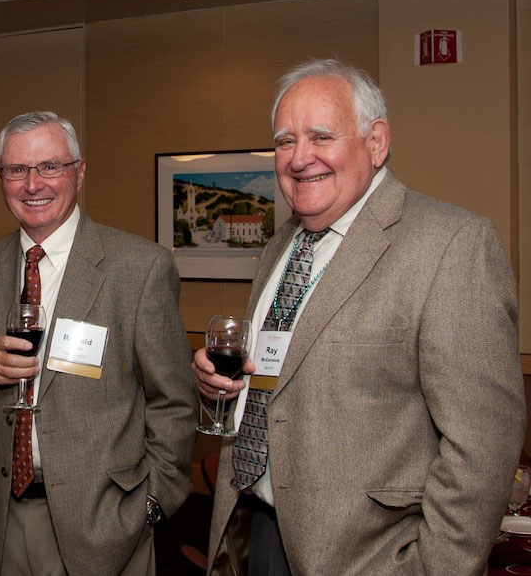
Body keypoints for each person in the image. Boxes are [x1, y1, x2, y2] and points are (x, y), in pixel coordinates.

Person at [193, 58, 525, 575]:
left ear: (376, 142)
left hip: (372, 557)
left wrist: (433, 568)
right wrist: (219, 387)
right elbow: (281, 379)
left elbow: (482, 444)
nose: (300, 158)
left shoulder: (452, 244)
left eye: (321, 136)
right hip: (255, 529)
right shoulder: (281, 245)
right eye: (285, 141)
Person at [0, 111, 198, 575]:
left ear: (79, 171)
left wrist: (152, 504)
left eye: (50, 166)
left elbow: (173, 401)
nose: (33, 184)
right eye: (17, 170)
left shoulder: (138, 268)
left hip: (107, 524)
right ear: (1, 178)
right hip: (0, 519)